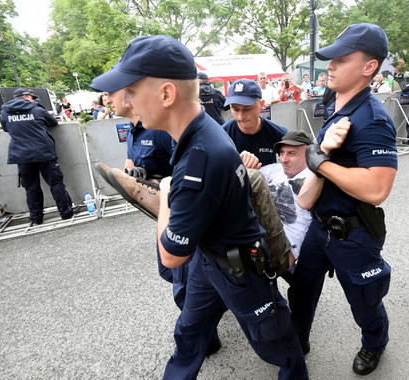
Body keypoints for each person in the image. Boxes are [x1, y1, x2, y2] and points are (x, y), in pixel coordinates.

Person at [89, 35, 308, 380]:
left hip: (240, 270)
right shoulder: (203, 132)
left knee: (278, 344)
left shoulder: (199, 161)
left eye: (132, 90)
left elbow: (172, 256)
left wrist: (164, 195)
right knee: (190, 332)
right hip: (211, 259)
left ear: (166, 94)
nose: (125, 103)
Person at [287, 23, 398, 376]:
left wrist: (320, 161)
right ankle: (297, 340)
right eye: (330, 58)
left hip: (353, 235)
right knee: (302, 290)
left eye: (341, 59)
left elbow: (377, 188)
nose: (329, 65)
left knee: (365, 302)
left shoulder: (373, 119)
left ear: (368, 67)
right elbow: (312, 189)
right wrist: (320, 159)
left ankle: (374, 343)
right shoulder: (335, 108)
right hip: (320, 228)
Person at [0, 88, 78, 225]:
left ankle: (36, 218)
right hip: (44, 152)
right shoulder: (36, 109)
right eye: (32, 97)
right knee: (56, 183)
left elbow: (6, 128)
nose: (33, 99)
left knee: (31, 187)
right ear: (25, 97)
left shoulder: (5, 112)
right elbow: (53, 123)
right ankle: (66, 213)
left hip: (21, 154)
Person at [260, 130, 313, 268]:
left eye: (291, 153)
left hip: (284, 245)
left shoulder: (313, 177)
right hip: (260, 232)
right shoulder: (275, 170)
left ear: (309, 155)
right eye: (282, 153)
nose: (284, 159)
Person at [222, 78, 288, 167]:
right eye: (235, 109)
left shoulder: (278, 133)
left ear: (261, 105)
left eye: (247, 109)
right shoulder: (222, 135)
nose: (241, 117)